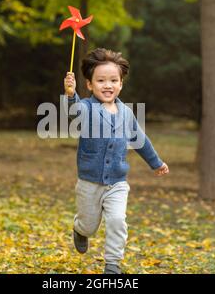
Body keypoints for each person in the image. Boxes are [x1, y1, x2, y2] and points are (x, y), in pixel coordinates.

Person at [63, 48, 169, 274]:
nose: (107, 85)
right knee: (89, 225)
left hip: (117, 183)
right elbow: (74, 112)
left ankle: (112, 264)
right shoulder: (87, 108)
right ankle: (79, 229)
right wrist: (71, 95)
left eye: (113, 80)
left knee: (117, 220)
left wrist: (156, 163)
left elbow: (140, 141)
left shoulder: (126, 114)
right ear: (90, 85)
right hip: (89, 182)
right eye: (101, 80)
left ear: (121, 84)